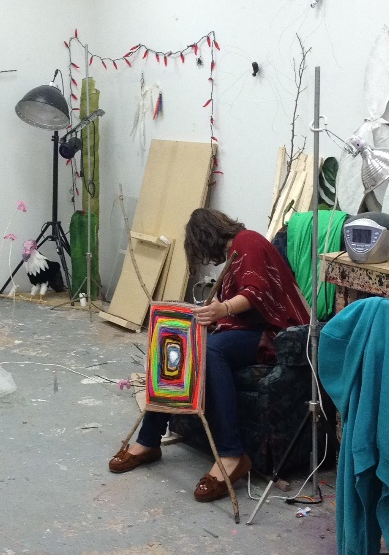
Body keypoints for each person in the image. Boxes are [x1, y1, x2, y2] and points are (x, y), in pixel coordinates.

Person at [108, 208, 310, 501]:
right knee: (178, 346)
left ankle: (231, 455)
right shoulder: (235, 254)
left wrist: (223, 309)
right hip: (251, 329)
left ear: (206, 237)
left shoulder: (248, 241)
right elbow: (237, 305)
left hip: (275, 332)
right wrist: (213, 314)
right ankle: (148, 440)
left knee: (211, 350)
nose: (205, 257)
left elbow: (256, 291)